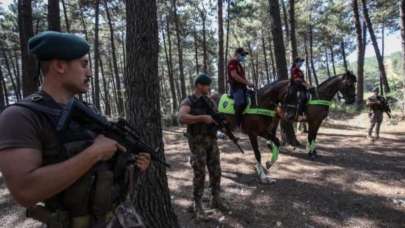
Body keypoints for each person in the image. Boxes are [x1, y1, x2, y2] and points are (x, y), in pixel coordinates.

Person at [0, 31, 151, 228]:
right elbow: (25, 192)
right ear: (60, 66)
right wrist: (93, 153)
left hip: (120, 218)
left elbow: (103, 175)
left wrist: (133, 167)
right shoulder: (20, 117)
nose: (89, 73)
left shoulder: (88, 112)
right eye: (84, 64)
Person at [178, 74, 229, 221]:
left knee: (216, 170)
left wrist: (223, 126)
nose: (209, 88)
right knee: (199, 173)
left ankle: (216, 198)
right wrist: (201, 118)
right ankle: (198, 204)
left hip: (212, 141)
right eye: (207, 85)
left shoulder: (210, 102)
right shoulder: (189, 101)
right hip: (197, 142)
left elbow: (216, 118)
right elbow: (181, 118)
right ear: (199, 85)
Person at [227, 48, 255, 127]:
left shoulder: (239, 65)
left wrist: (249, 84)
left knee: (253, 97)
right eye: (242, 55)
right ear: (237, 54)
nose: (244, 57)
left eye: (244, 55)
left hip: (243, 88)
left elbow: (242, 77)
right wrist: (248, 83)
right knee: (241, 103)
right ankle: (237, 124)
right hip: (235, 88)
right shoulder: (232, 62)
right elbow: (234, 75)